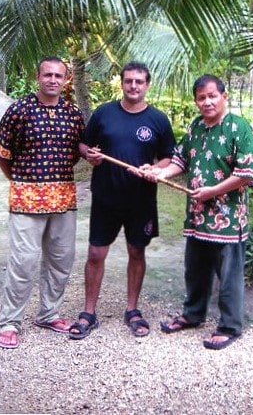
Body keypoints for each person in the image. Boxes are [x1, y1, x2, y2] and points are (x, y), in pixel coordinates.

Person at [143, 74, 253, 350]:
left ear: (224, 96)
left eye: (212, 96)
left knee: (229, 275)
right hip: (197, 216)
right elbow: (180, 160)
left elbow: (249, 173)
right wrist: (159, 172)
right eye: (201, 97)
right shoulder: (196, 127)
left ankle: (230, 326)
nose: (207, 102)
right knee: (195, 270)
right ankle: (193, 314)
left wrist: (213, 191)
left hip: (229, 220)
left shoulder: (238, 127)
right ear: (196, 101)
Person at [69, 61, 176, 339]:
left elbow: (168, 156)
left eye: (139, 82)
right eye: (128, 80)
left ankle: (132, 310)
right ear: (121, 82)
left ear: (147, 85)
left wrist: (157, 169)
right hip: (105, 197)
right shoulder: (104, 113)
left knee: (136, 252)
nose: (133, 86)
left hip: (141, 200)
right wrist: (87, 154)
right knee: (95, 254)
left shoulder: (158, 120)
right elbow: (83, 143)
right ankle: (88, 313)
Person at [0, 56, 85, 349]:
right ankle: (10, 322)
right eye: (48, 74)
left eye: (59, 75)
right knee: (24, 262)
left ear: (66, 80)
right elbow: (2, 153)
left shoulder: (73, 113)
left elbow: (77, 151)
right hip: (26, 200)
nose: (53, 80)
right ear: (37, 76)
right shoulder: (19, 110)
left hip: (64, 199)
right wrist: (20, 180)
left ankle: (48, 313)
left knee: (61, 260)